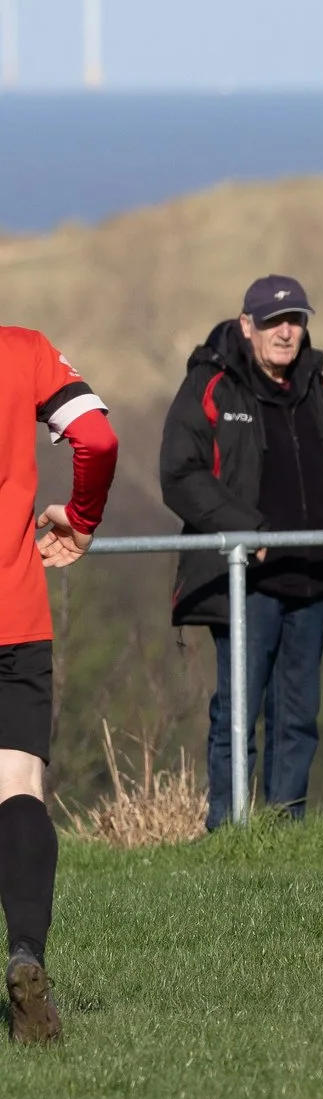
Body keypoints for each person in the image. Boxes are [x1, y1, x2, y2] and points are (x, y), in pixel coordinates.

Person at [159, 275, 323, 828]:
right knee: (238, 713)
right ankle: (230, 833)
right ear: (245, 325)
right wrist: (246, 533)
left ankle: (284, 834)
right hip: (243, 580)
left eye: (295, 320)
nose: (286, 331)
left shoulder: (319, 392)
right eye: (273, 321)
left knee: (299, 718)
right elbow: (180, 475)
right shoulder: (211, 385)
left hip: (314, 577)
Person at [0, 328, 118, 1043]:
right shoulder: (24, 352)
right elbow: (97, 441)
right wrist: (79, 521)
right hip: (16, 617)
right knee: (17, 789)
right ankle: (26, 955)